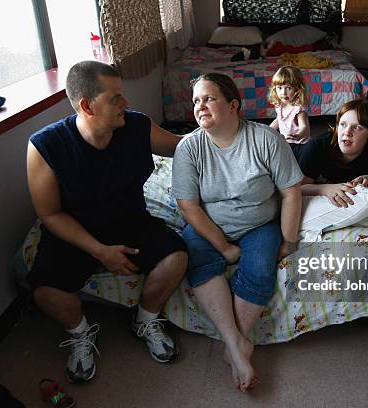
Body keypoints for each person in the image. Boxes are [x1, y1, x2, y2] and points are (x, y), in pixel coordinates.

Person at [26, 61, 187, 383]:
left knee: (176, 259)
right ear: (87, 105)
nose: (126, 103)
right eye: (115, 98)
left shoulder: (136, 126)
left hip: (131, 221)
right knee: (45, 292)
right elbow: (50, 214)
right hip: (76, 232)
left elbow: (182, 145)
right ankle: (81, 332)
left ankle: (144, 320)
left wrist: (227, 130)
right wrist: (100, 251)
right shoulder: (46, 147)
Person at [172, 73, 303, 392]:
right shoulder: (189, 148)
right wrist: (223, 246)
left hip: (259, 224)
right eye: (195, 101)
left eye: (208, 98)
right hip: (207, 224)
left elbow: (291, 193)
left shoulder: (266, 139)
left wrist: (288, 239)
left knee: (259, 271)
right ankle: (236, 344)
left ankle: (235, 344)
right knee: (200, 263)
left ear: (233, 105)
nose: (200, 106)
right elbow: (189, 207)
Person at [295, 99, 368, 235]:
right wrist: (325, 189)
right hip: (299, 173)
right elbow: (298, 189)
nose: (347, 132)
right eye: (343, 125)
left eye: (357, 127)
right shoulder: (317, 146)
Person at [268, 65, 310, 157]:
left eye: (288, 88)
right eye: (279, 88)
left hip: (299, 144)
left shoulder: (298, 109)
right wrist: (267, 129)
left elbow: (304, 127)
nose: (283, 92)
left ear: (297, 90)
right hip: (285, 142)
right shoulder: (280, 105)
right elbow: (279, 120)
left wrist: (298, 135)